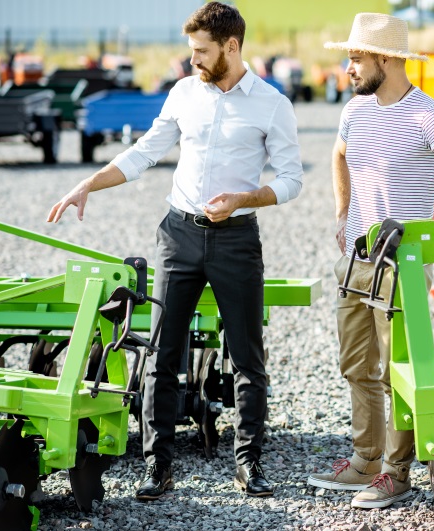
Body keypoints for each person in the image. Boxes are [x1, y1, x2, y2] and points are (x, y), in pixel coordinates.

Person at [47, 2, 302, 501]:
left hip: (236, 239)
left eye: (201, 51)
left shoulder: (273, 104)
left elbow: (292, 181)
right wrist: (88, 185)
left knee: (249, 358)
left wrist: (244, 199)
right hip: (177, 235)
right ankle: (157, 468)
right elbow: (143, 153)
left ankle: (249, 465)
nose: (192, 61)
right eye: (190, 51)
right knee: (163, 353)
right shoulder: (184, 93)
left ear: (231, 46)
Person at [307, 13, 434, 509]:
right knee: (356, 365)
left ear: (386, 60)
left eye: (355, 57)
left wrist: (433, 235)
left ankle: (397, 472)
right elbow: (339, 155)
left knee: (400, 372)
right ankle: (365, 460)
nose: (348, 67)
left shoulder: (428, 116)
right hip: (354, 259)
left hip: (400, 267)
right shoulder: (356, 109)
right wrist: (342, 212)